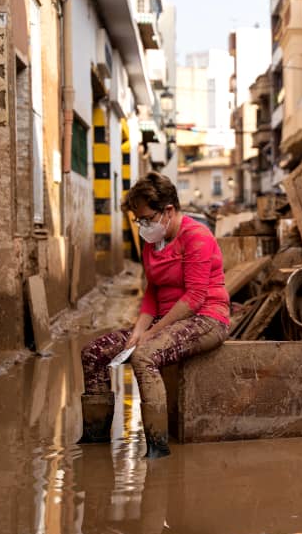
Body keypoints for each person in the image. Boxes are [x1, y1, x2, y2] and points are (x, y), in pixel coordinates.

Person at [79, 172, 230, 458]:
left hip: (207, 318)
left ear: (168, 211)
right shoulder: (152, 243)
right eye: (139, 220)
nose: (142, 226)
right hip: (168, 320)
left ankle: (157, 446)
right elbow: (152, 292)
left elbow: (195, 297)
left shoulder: (197, 237)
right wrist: (138, 330)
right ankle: (95, 438)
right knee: (93, 353)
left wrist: (150, 335)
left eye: (146, 219)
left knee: (144, 354)